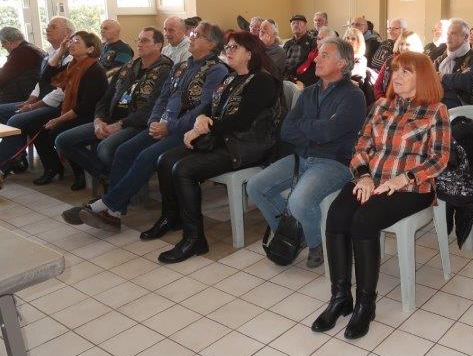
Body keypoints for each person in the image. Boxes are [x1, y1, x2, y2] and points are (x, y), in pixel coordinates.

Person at [312, 51, 451, 339]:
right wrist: (363, 175)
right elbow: (361, 146)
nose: (396, 76)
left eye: (405, 71)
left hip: (412, 187)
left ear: (422, 77)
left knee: (364, 221)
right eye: (395, 70)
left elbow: (439, 159)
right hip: (372, 180)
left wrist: (404, 178)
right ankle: (340, 297)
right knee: (337, 215)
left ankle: (366, 304)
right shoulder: (380, 106)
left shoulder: (435, 110)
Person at [74, 22, 228, 232]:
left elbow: (204, 107)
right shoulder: (181, 66)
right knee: (124, 151)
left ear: (211, 44)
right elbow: (163, 97)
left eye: (197, 35)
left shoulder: (216, 69)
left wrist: (169, 127)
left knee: (146, 156)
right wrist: (154, 120)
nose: (191, 37)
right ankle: (114, 211)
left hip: (188, 131)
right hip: (161, 124)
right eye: (193, 33)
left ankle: (109, 205)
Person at [153, 32, 284, 263]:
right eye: (228, 47)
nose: (228, 51)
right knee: (165, 160)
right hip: (223, 140)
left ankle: (194, 239)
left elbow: (241, 121)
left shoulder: (262, 81)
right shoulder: (231, 78)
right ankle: (171, 217)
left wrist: (202, 129)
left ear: (250, 54)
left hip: (248, 146)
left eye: (235, 47)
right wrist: (200, 119)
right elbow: (210, 107)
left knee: (183, 170)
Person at [247, 37, 367, 268]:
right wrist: (317, 130)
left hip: (334, 162)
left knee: (299, 201)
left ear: (342, 63)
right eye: (318, 54)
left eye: (325, 55)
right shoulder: (309, 92)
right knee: (255, 186)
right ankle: (292, 233)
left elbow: (330, 132)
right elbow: (287, 130)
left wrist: (306, 126)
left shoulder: (353, 96)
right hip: (301, 157)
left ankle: (315, 243)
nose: (316, 59)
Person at [56, 28, 172, 205]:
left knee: (106, 148)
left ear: (158, 45)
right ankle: (109, 179)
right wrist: (98, 120)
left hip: (136, 124)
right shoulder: (128, 67)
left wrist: (119, 125)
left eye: (145, 41)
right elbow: (105, 98)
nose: (139, 44)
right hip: (109, 119)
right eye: (138, 40)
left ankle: (115, 192)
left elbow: (152, 109)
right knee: (63, 140)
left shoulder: (165, 71)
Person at [30, 32, 108, 186]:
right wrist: (60, 52)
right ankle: (54, 167)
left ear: (90, 49)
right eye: (71, 41)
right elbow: (46, 77)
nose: (71, 44)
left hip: (92, 115)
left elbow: (86, 106)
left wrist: (58, 120)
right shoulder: (72, 65)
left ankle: (84, 173)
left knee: (57, 131)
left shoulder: (94, 69)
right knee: (38, 128)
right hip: (74, 111)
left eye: (76, 41)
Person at [0, 17, 74, 176]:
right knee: (5, 111)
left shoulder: (71, 56)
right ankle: (18, 158)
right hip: (40, 100)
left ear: (67, 33)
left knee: (17, 120)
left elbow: (61, 92)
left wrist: (33, 106)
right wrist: (29, 100)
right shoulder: (49, 53)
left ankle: (4, 164)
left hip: (59, 105)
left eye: (53, 27)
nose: (47, 29)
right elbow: (40, 82)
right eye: (48, 26)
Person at [434, 18, 473, 108]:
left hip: (467, 106)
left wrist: (442, 77)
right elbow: (429, 79)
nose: (448, 37)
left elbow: (469, 80)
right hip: (441, 103)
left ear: (465, 37)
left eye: (453, 33)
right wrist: (457, 77)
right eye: (447, 34)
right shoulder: (441, 59)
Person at [0, 27, 45, 104]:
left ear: (8, 42)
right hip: (32, 92)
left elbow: (3, 77)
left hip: (24, 96)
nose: (5, 48)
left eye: (3, 45)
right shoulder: (31, 48)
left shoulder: (21, 53)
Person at [373, 31, 424, 100]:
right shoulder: (390, 61)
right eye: (401, 44)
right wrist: (382, 99)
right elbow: (378, 85)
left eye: (408, 44)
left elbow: (423, 89)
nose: (403, 47)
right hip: (386, 101)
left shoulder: (421, 63)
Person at [344, 27, 377, 105]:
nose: (349, 41)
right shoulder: (339, 57)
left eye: (353, 39)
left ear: (359, 42)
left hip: (352, 98)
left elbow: (355, 77)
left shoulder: (361, 59)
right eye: (347, 38)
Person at [283, 14, 318, 87]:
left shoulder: (313, 42)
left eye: (298, 23)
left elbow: (315, 65)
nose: (295, 25)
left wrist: (305, 83)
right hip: (287, 79)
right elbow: (282, 63)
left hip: (304, 81)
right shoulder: (287, 44)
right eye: (293, 23)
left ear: (305, 26)